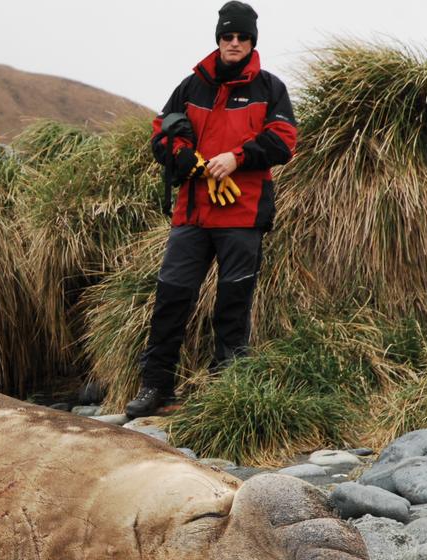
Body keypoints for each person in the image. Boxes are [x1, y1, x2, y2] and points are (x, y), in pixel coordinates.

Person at [125, 0, 297, 419]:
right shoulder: (191, 86)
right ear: (218, 39)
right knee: (170, 298)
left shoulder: (270, 88)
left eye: (241, 36)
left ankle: (226, 392)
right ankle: (157, 388)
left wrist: (236, 158)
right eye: (227, 35)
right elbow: (162, 132)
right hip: (193, 214)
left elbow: (283, 140)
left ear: (252, 40)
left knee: (232, 304)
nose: (233, 42)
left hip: (243, 214)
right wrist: (183, 158)